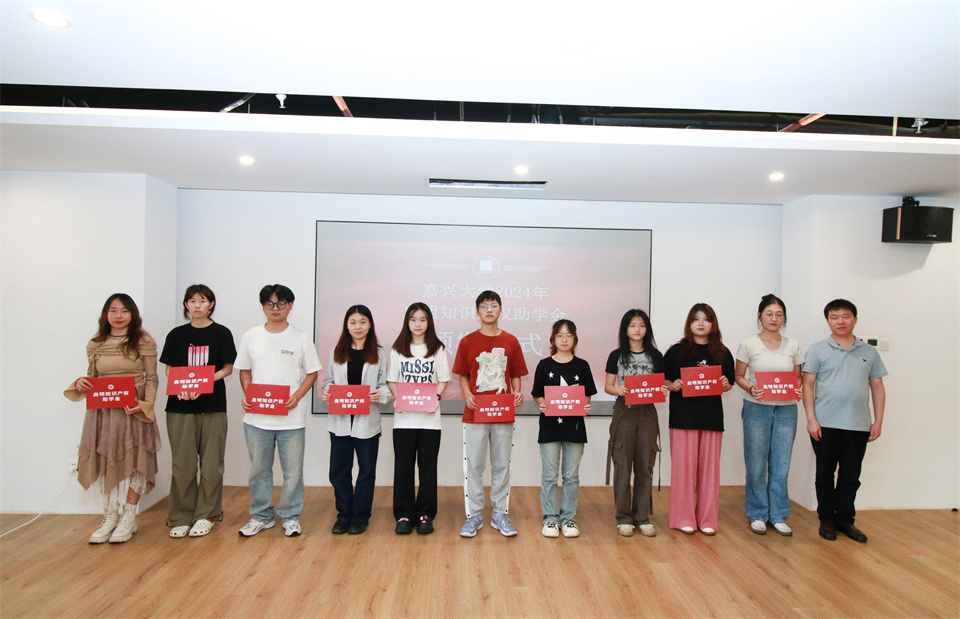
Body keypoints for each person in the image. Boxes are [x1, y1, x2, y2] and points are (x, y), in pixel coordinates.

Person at [64, 293, 161, 544]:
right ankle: (109, 516)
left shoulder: (144, 341)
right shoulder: (95, 344)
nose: (119, 315)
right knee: (105, 457)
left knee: (136, 458)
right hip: (104, 411)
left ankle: (129, 517)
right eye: (113, 310)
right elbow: (92, 377)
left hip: (133, 408)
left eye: (124, 311)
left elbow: (152, 378)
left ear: (133, 314)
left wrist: (144, 405)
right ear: (106, 314)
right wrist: (80, 382)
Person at [235, 284, 321, 538]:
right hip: (257, 419)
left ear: (290, 306)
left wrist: (297, 396)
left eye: (281, 303)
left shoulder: (300, 337)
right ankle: (261, 516)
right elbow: (244, 371)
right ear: (263, 306)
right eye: (270, 303)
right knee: (259, 471)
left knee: (293, 473)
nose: (275, 308)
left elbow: (312, 373)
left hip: (291, 420)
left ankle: (290, 516)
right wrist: (249, 395)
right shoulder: (251, 336)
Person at [802, 299, 886, 543]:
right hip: (824, 424)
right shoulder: (817, 350)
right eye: (834, 317)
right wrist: (811, 419)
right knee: (824, 474)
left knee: (850, 476)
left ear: (855, 319)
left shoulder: (869, 352)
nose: (840, 321)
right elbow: (807, 385)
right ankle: (827, 519)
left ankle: (846, 520)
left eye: (845, 316)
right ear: (828, 321)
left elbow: (877, 387)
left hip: (858, 425)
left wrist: (878, 421)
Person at [159, 284, 237, 539]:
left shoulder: (222, 333)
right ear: (186, 305)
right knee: (182, 465)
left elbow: (227, 368)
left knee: (212, 464)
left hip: (212, 406)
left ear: (211, 304)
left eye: (202, 301)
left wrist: (203, 384)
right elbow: (170, 369)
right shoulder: (176, 334)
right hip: (180, 407)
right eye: (192, 301)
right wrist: (183, 386)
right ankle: (181, 516)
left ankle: (207, 515)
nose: (197, 305)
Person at [453, 290, 528, 538]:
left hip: (502, 412)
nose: (489, 310)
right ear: (477, 312)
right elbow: (463, 376)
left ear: (500, 310)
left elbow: (516, 374)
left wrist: (517, 392)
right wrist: (467, 395)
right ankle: (474, 515)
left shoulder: (511, 341)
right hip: (475, 412)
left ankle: (499, 513)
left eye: (493, 305)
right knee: (474, 464)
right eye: (484, 306)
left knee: (502, 463)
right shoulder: (467, 342)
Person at [734, 294, 804, 537]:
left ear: (784, 318)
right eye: (769, 314)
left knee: (781, 464)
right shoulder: (749, 344)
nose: (774, 318)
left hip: (786, 409)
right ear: (760, 316)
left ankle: (778, 515)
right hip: (757, 408)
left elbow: (798, 377)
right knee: (756, 464)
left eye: (779, 314)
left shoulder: (793, 345)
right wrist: (751, 388)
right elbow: (739, 376)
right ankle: (757, 513)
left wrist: (797, 388)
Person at [664, 303, 735, 535]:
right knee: (683, 472)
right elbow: (663, 380)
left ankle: (707, 519)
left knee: (709, 472)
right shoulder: (676, 351)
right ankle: (682, 518)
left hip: (711, 419)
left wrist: (725, 384)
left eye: (706, 319)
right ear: (689, 323)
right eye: (696, 319)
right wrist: (672, 385)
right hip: (683, 419)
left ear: (713, 323)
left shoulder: (722, 352)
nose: (701, 323)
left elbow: (729, 383)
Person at [321, 304, 391, 535]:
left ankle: (360, 517)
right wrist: (327, 392)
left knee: (366, 472)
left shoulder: (378, 353)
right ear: (346, 325)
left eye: (362, 322)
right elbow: (328, 381)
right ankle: (343, 515)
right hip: (340, 421)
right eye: (353, 322)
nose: (358, 326)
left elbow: (385, 385)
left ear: (370, 325)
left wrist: (380, 394)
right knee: (339, 471)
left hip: (367, 422)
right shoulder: (337, 351)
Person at [386, 303, 451, 535]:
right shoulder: (398, 349)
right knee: (403, 469)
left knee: (427, 469)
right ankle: (403, 515)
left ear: (429, 322)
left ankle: (425, 514)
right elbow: (392, 380)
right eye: (413, 319)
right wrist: (398, 397)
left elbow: (443, 379)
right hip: (403, 420)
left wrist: (435, 396)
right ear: (407, 322)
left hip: (430, 421)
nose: (418, 324)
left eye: (422, 319)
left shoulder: (437, 348)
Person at [531, 319, 597, 538]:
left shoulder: (582, 365)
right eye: (560, 335)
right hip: (549, 428)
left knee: (571, 477)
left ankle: (568, 518)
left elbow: (586, 396)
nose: (564, 339)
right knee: (549, 476)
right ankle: (550, 518)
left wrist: (585, 405)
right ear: (553, 339)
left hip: (574, 428)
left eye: (569, 335)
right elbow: (537, 394)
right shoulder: (544, 365)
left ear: (575, 339)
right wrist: (541, 403)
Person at [603, 309, 665, 538]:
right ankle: (623, 518)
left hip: (647, 412)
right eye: (632, 325)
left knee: (645, 465)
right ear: (625, 329)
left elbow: (662, 383)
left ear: (647, 329)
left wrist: (663, 389)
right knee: (622, 465)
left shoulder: (655, 356)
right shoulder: (616, 355)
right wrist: (617, 390)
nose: (637, 329)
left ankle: (642, 517)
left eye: (641, 325)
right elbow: (608, 386)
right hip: (624, 412)